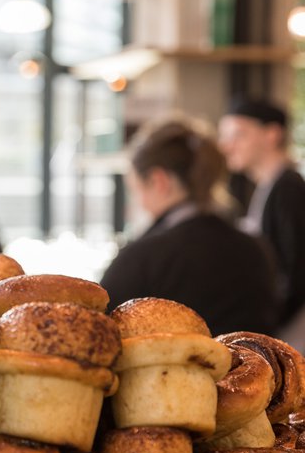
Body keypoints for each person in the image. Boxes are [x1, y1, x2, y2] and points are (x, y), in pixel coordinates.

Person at [101, 117, 278, 336]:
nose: (137, 203)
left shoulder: (143, 257)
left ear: (159, 181)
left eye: (136, 190)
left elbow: (99, 329)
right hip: (256, 368)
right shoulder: (254, 247)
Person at [218, 99, 305, 337]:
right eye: (224, 137)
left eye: (239, 135)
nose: (227, 146)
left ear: (272, 134)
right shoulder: (268, 187)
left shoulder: (288, 189)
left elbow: (294, 273)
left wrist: (264, 326)